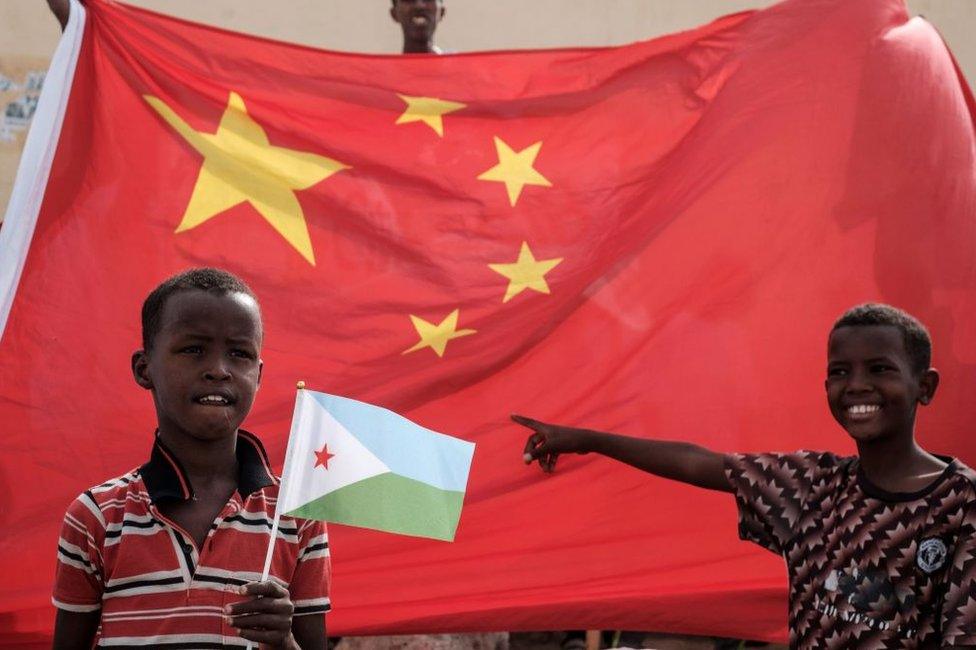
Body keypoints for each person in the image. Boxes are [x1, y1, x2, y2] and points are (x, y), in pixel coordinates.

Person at [515, 303, 976, 648]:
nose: (857, 385)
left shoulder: (962, 506)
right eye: (840, 372)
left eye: (880, 369)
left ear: (926, 387)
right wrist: (590, 440)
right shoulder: (811, 486)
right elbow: (699, 462)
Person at [51, 268, 330, 649]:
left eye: (240, 353)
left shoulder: (297, 514)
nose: (219, 370)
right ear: (143, 368)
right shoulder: (97, 515)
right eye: (193, 349)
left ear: (259, 374)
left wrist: (283, 642)